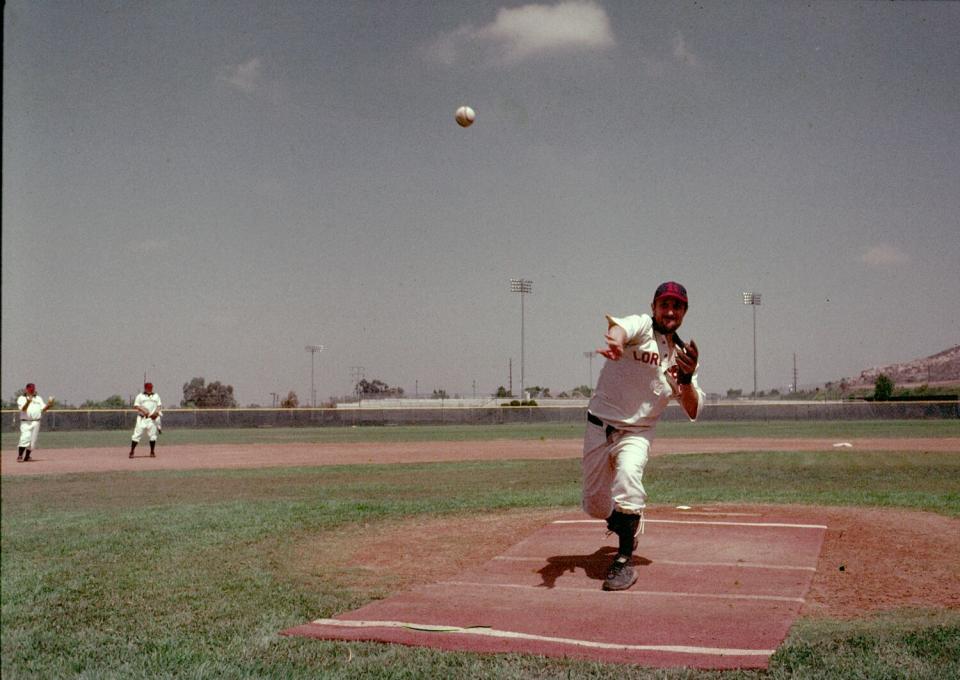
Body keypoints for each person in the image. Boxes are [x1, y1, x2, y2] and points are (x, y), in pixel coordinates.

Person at [582, 281, 704, 591]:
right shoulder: (641, 327)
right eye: (664, 304)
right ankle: (626, 522)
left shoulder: (682, 356)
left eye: (677, 306)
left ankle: (623, 561)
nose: (670, 310)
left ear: (685, 312)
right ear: (654, 307)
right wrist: (616, 343)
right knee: (595, 505)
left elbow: (692, 409)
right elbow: (620, 329)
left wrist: (687, 382)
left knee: (628, 478)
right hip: (600, 424)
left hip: (637, 432)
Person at [17, 383, 55, 462]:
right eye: (30, 390)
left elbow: (43, 409)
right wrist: (28, 402)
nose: (32, 391)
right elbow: (23, 409)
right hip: (26, 422)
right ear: (26, 389)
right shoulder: (21, 398)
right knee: (25, 438)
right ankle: (20, 456)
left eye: (33, 389)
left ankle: (27, 456)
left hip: (36, 422)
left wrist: (49, 404)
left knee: (32, 441)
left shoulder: (38, 398)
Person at [129, 382, 162, 458]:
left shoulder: (156, 396)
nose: (150, 389)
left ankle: (152, 452)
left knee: (153, 436)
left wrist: (156, 413)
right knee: (137, 435)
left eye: (151, 388)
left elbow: (159, 406)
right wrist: (143, 409)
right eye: (148, 388)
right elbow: (136, 405)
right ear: (145, 388)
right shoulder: (140, 396)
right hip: (142, 419)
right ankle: (132, 451)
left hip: (151, 419)